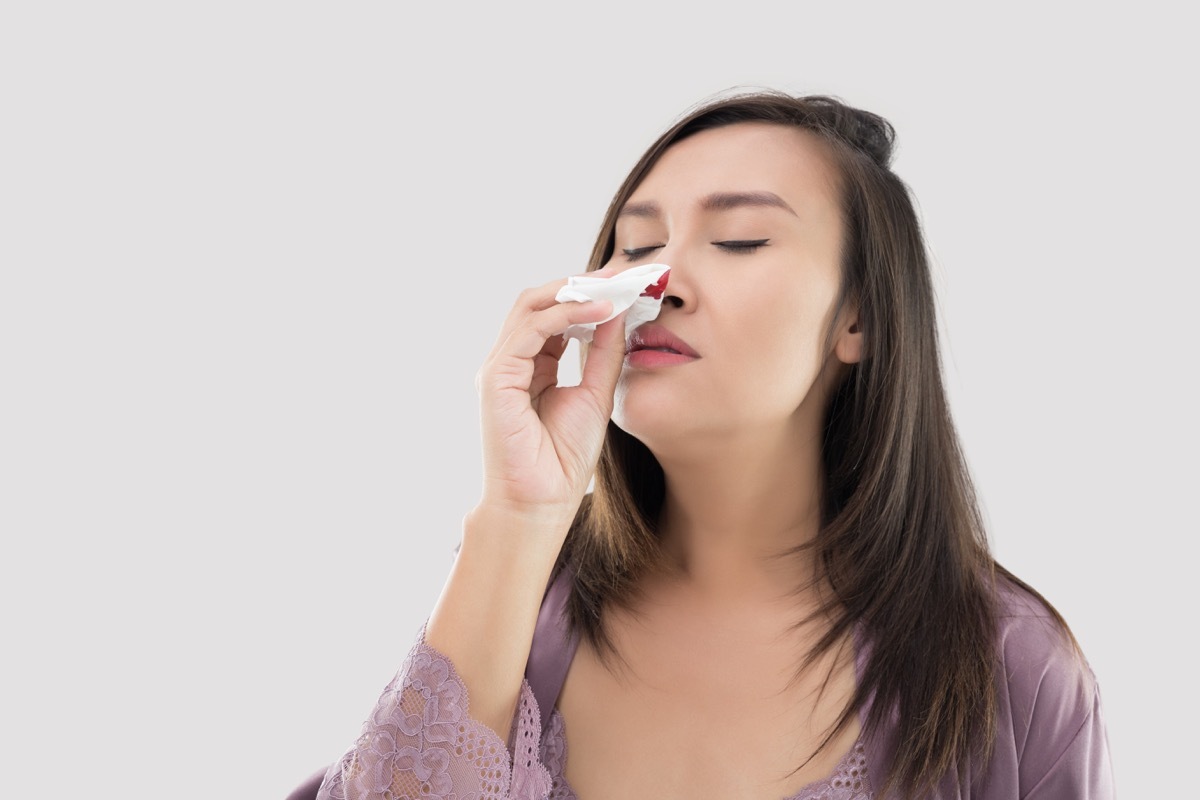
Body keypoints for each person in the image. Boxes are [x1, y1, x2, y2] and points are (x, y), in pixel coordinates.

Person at [305, 90, 1115, 799]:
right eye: (635, 246)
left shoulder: (1012, 671)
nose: (660, 285)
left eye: (739, 241)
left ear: (858, 319)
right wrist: (520, 514)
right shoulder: (519, 596)